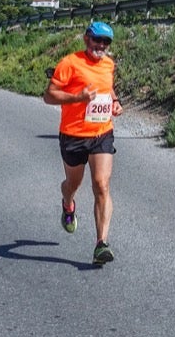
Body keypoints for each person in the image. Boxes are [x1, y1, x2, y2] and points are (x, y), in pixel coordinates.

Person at [43, 21, 124, 265]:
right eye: (97, 39)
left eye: (106, 42)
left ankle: (102, 243)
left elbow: (106, 88)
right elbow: (49, 95)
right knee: (73, 183)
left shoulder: (109, 64)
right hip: (73, 135)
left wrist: (115, 101)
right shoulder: (70, 63)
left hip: (101, 133)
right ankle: (68, 204)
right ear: (87, 39)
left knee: (101, 184)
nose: (101, 45)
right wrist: (77, 97)